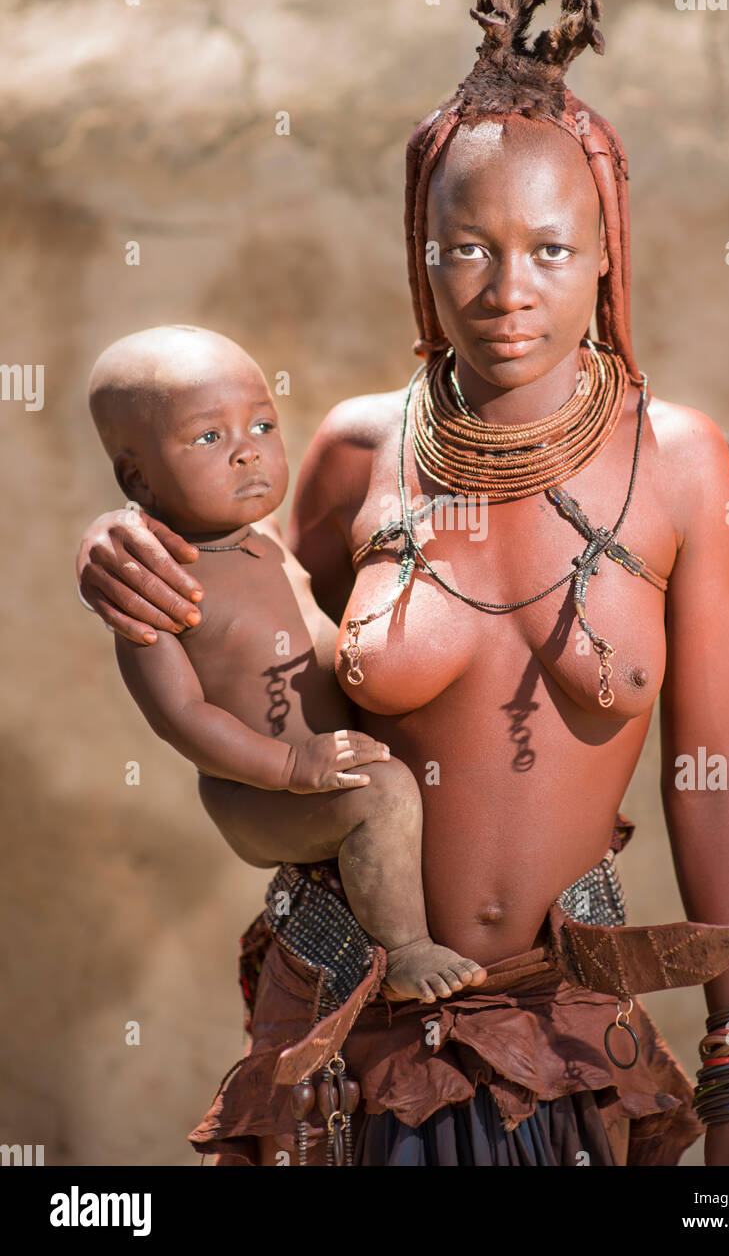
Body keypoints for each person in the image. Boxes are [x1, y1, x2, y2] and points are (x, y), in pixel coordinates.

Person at [76, 0, 729, 1167]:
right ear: (423, 255)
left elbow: (712, 769)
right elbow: (236, 631)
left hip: (572, 1039)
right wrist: (128, 543)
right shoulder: (361, 449)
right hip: (359, 1030)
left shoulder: (677, 464)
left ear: (608, 252)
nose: (508, 292)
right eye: (466, 250)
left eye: (552, 250)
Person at [86, 324, 486, 1005]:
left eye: (262, 424)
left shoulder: (268, 535)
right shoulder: (159, 588)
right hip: (257, 794)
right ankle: (404, 951)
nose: (248, 454)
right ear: (137, 478)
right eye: (209, 437)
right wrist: (289, 769)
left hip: (322, 767)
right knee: (382, 796)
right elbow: (181, 719)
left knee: (414, 775)